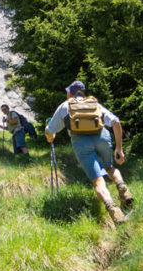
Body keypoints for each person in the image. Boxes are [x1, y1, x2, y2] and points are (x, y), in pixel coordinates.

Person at [44, 80, 134, 225]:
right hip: (102, 136)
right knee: (110, 168)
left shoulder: (65, 106)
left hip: (81, 142)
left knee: (98, 180)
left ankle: (113, 209)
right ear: (82, 92)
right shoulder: (94, 104)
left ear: (70, 93)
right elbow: (116, 122)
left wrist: (51, 138)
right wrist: (119, 149)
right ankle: (122, 186)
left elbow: (49, 130)